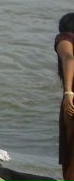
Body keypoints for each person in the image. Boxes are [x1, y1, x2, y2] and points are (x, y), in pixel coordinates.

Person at [56, 12, 74, 181]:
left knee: (70, 155)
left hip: (72, 100)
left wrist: (68, 93)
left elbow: (68, 57)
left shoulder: (65, 38)